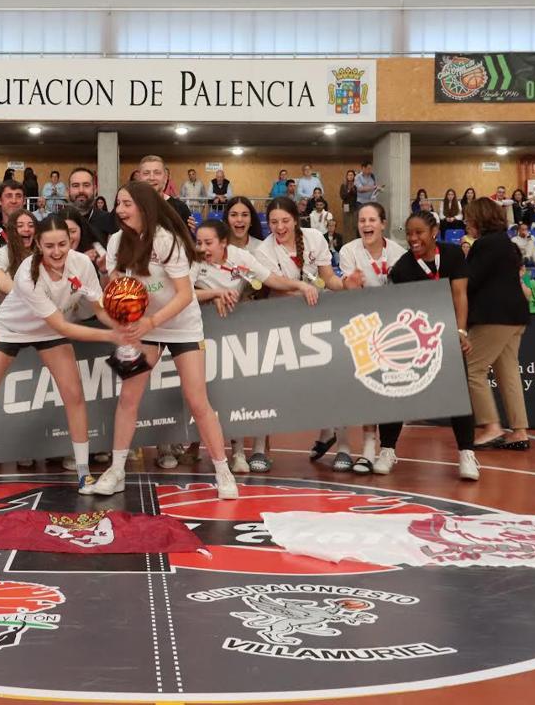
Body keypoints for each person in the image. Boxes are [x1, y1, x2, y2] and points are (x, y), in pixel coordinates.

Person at [0, 214, 125, 496]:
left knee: (74, 395)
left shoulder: (82, 264)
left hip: (49, 331)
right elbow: (63, 326)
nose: (57, 252)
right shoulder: (28, 273)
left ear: (70, 242)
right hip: (11, 329)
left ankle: (83, 474)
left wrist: (120, 325)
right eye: (49, 246)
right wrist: (112, 336)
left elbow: (99, 307)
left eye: (62, 244)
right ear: (39, 245)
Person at [89, 182, 239, 500]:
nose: (120, 209)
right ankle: (116, 470)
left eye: (127, 203)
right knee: (128, 398)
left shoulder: (166, 240)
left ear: (144, 207)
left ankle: (223, 471)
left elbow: (185, 295)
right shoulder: (116, 241)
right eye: (118, 203)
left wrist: (152, 321)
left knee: (198, 401)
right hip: (142, 329)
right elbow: (116, 285)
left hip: (181, 327)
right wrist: (122, 311)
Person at [192, 218, 318, 473]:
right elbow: (184, 293)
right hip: (202, 330)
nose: (202, 247)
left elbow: (271, 279)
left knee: (234, 390)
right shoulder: (195, 260)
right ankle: (201, 448)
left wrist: (300, 284)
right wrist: (214, 294)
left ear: (223, 242)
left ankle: (238, 451)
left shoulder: (240, 257)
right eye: (199, 242)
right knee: (207, 394)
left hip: (234, 329)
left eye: (208, 243)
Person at [373, 211, 481, 481]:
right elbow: (400, 312)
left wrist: (460, 331)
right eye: (409, 233)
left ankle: (467, 454)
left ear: (433, 231)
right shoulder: (402, 268)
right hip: (416, 338)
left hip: (449, 334)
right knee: (397, 391)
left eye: (419, 232)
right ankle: (386, 450)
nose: (413, 238)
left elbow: (460, 295)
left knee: (459, 396)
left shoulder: (454, 255)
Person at [257, 196, 346, 469]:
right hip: (280, 321)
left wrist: (346, 285)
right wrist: (301, 287)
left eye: (285, 221)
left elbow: (327, 278)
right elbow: (272, 283)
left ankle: (335, 437)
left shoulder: (315, 238)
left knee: (326, 380)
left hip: (315, 321)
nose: (279, 227)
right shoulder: (264, 249)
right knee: (267, 384)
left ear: (296, 219)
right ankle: (259, 448)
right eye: (273, 222)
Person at [334, 202, 409, 474]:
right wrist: (349, 286)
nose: (366, 225)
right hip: (360, 326)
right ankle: (364, 448)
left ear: (383, 223)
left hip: (390, 330)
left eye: (372, 220)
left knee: (386, 390)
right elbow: (349, 289)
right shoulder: (348, 251)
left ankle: (380, 449)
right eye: (362, 220)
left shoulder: (400, 253)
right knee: (365, 389)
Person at [463, 198, 532, 451]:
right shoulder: (506, 243)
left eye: (469, 217)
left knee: (472, 370)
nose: (466, 222)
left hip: (494, 317)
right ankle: (519, 431)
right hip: (516, 316)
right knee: (508, 372)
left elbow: (469, 281)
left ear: (480, 218)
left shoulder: (485, 244)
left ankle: (491, 427)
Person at [138, 155, 192, 225]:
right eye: (146, 173)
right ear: (139, 178)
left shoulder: (180, 208)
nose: (151, 178)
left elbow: (186, 235)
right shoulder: (129, 206)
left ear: (165, 177)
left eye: (157, 173)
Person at [68, 167, 116, 245]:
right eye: (75, 185)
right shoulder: (58, 221)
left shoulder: (109, 220)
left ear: (95, 190)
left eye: (86, 185)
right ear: (68, 191)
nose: (81, 190)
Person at [338, 169, 359, 241]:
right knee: (346, 226)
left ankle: (354, 242)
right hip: (346, 207)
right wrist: (349, 191)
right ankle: (346, 243)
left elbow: (357, 196)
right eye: (349, 175)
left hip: (354, 207)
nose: (350, 176)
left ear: (354, 176)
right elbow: (342, 196)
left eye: (352, 175)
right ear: (346, 176)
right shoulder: (343, 185)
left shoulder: (356, 185)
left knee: (354, 226)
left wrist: (353, 189)